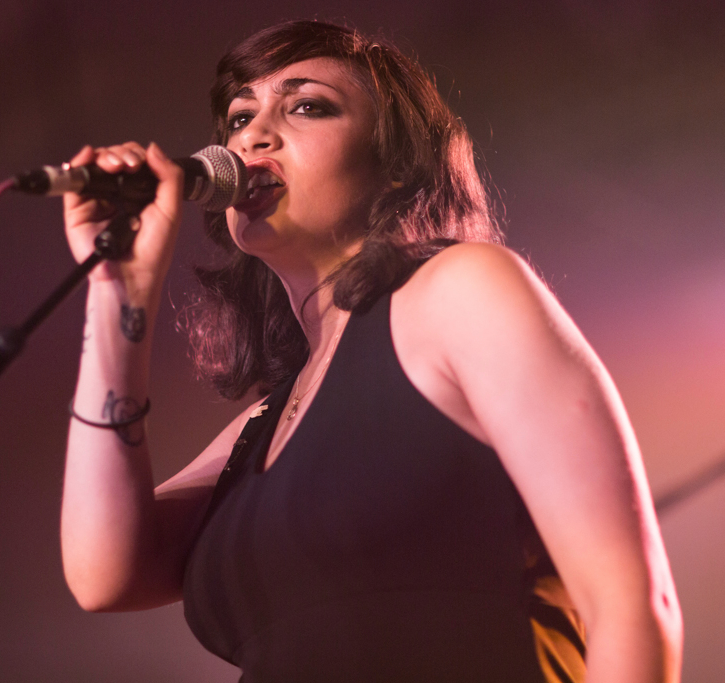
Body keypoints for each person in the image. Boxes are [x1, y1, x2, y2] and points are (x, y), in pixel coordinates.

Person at [58, 20, 682, 682]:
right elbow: (104, 572)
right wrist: (115, 295)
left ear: (396, 165)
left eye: (306, 106)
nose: (252, 136)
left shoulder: (461, 289)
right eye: (240, 116)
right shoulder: (262, 426)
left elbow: (629, 607)